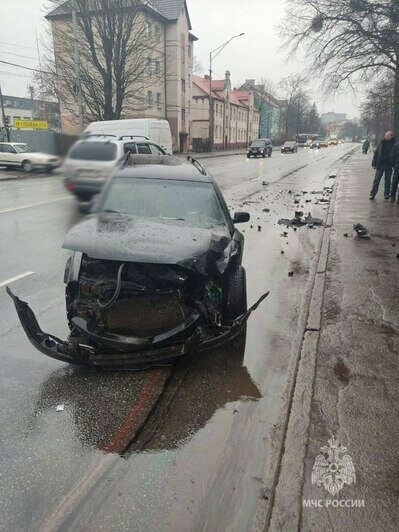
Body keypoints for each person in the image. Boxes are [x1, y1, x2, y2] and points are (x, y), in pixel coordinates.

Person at [370, 130, 395, 200]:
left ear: (391, 136)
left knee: (388, 180)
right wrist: (374, 163)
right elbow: (376, 153)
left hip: (389, 165)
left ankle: (386, 194)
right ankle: (373, 194)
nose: (386, 137)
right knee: (376, 180)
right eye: (385, 135)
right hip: (380, 164)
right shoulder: (381, 143)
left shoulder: (394, 144)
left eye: (387, 136)